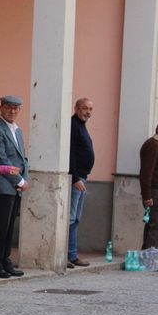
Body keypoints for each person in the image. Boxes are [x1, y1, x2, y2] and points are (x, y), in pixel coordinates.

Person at [0, 95, 29, 279]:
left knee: (9, 227)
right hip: (3, 184)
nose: (12, 111)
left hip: (15, 186)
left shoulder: (17, 131)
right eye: (9, 108)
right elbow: (0, 158)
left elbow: (22, 157)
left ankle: (5, 261)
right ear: (1, 108)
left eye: (15, 108)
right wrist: (19, 180)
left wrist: (23, 179)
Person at [68, 98, 94, 268]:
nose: (88, 112)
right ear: (76, 108)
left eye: (90, 109)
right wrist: (76, 178)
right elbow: (69, 153)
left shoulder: (81, 125)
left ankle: (72, 254)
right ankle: (65, 255)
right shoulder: (73, 125)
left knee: (76, 219)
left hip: (82, 177)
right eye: (85, 108)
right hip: (75, 179)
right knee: (70, 219)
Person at [139, 123, 158, 250]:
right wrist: (147, 195)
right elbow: (146, 172)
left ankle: (147, 255)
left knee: (153, 225)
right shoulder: (154, 145)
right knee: (155, 226)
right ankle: (150, 258)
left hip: (155, 191)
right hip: (155, 191)